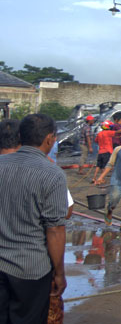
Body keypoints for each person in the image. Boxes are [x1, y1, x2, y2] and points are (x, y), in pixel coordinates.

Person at [0, 114, 68, 324]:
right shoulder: (52, 174)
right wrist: (59, 273)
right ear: (49, 139)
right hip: (31, 270)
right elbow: (55, 230)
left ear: (21, 136)